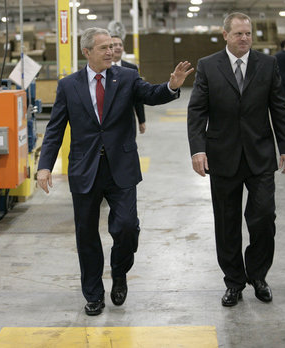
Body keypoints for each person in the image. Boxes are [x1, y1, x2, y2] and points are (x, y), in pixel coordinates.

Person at [37, 27, 193, 316]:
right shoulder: (68, 85)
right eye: (103, 48)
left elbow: (151, 94)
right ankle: (94, 294)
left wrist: (171, 86)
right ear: (86, 52)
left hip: (120, 167)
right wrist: (45, 165)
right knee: (86, 235)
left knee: (126, 227)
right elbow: (55, 129)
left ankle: (119, 273)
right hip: (85, 169)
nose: (111, 52)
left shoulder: (127, 77)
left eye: (112, 46)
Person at [187, 12, 285, 307]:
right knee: (227, 222)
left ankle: (258, 274)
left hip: (259, 156)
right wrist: (198, 150)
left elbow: (279, 108)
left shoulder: (267, 64)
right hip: (222, 157)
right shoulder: (208, 66)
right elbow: (197, 111)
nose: (245, 38)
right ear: (225, 35)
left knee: (263, 218)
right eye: (238, 34)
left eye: (248, 33)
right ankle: (234, 281)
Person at [111, 35, 147, 134]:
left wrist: (141, 120)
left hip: (127, 121)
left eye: (120, 45)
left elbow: (138, 95)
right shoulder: (102, 69)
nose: (118, 47)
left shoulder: (131, 69)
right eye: (114, 45)